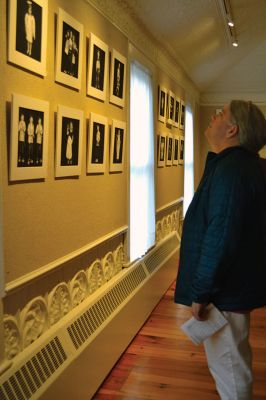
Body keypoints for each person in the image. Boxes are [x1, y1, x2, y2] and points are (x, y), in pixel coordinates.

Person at [174, 100, 266, 400]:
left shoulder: (233, 169)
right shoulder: (238, 166)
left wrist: (201, 292)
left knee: (230, 370)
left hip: (224, 292)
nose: (214, 116)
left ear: (233, 129)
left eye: (221, 113)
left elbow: (220, 236)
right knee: (233, 361)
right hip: (232, 287)